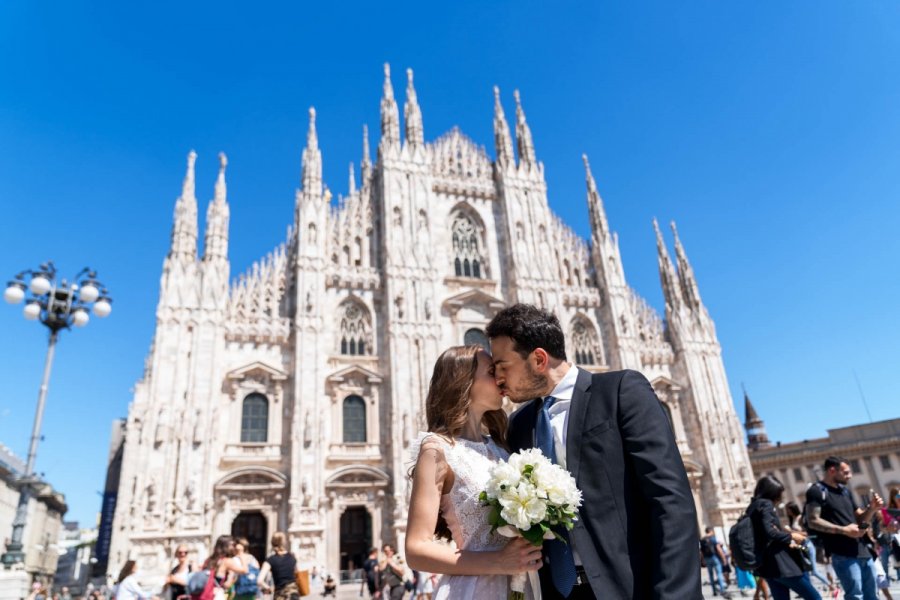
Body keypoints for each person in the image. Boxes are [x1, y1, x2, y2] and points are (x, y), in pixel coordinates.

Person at [487, 304, 701, 599]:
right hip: (557, 591)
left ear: (539, 359)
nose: (498, 379)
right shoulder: (520, 424)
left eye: (503, 367)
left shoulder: (620, 392)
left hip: (630, 588)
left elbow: (670, 501)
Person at [405, 346, 543, 599]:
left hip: (524, 584)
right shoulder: (437, 449)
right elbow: (416, 548)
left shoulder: (501, 446)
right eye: (491, 371)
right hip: (476, 589)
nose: (500, 378)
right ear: (463, 381)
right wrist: (499, 561)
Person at [806, 457, 884, 600]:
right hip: (842, 554)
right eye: (846, 472)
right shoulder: (817, 491)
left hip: (863, 551)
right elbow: (812, 521)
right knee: (855, 596)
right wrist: (844, 530)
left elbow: (860, 519)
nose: (850, 476)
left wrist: (872, 509)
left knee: (873, 595)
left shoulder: (845, 491)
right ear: (832, 470)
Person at [748, 475, 821, 600]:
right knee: (814, 597)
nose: (779, 498)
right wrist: (792, 536)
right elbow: (770, 532)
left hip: (767, 565)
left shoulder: (752, 507)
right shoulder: (766, 504)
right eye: (778, 494)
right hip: (781, 564)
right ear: (771, 492)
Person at [786, 501, 834, 593]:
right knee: (805, 568)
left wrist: (791, 532)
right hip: (799, 546)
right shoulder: (793, 519)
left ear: (793, 509)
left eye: (788, 509)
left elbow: (806, 533)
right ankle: (810, 590)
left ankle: (831, 586)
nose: (787, 512)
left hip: (806, 545)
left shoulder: (800, 518)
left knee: (814, 570)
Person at [258, 532, 302, 600]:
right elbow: (297, 573)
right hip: (293, 594)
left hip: (280, 595)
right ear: (284, 542)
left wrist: (269, 588)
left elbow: (259, 580)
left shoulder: (270, 560)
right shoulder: (292, 557)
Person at [701, 527, 730, 597]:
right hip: (715, 558)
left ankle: (714, 591)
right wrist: (723, 558)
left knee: (710, 575)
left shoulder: (702, 540)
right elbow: (718, 549)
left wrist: (702, 560)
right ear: (711, 531)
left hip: (707, 559)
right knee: (719, 574)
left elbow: (701, 552)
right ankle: (722, 590)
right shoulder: (712, 538)